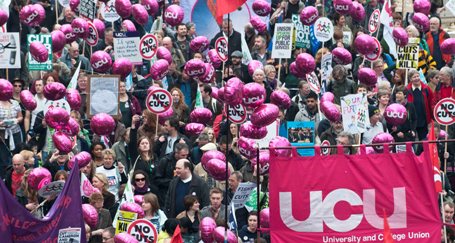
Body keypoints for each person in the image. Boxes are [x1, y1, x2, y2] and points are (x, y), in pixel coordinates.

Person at [405, 69, 434, 140]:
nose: (417, 78)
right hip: (411, 121)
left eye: (418, 76)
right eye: (414, 77)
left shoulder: (426, 89)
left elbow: (431, 103)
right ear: (410, 79)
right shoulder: (406, 90)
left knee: (424, 141)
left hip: (423, 121)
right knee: (411, 141)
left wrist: (431, 119)